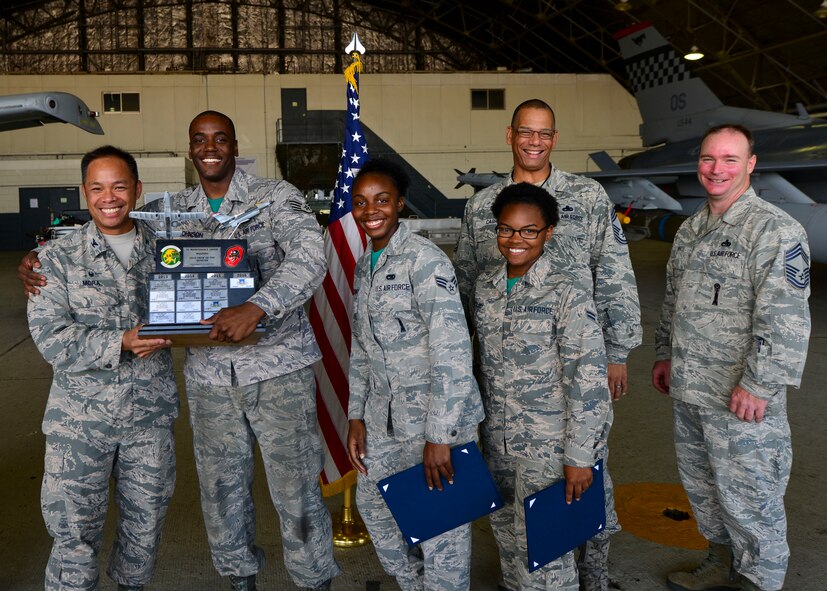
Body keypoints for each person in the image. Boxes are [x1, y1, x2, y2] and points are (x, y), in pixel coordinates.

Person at [20, 112, 340, 591]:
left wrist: (257, 306)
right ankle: (239, 578)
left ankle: (314, 579)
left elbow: (311, 255)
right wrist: (35, 263)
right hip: (209, 377)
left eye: (220, 138)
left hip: (277, 369)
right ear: (190, 149)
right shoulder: (174, 213)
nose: (210, 148)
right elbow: (117, 227)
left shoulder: (274, 196)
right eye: (199, 140)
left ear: (234, 146)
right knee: (221, 490)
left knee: (296, 488)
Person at [454, 98, 641, 591]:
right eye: (525, 132)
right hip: (506, 373)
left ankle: (593, 578)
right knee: (517, 493)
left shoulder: (587, 196)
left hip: (577, 364)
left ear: (554, 139)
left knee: (584, 475)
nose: (533, 141)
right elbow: (468, 283)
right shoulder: (482, 205)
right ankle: (529, 576)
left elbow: (614, 274)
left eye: (543, 133)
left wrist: (618, 353)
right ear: (510, 134)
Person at [651, 124, 811, 591]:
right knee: (704, 487)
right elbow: (674, 300)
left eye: (729, 159)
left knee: (752, 498)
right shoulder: (692, 228)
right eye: (708, 159)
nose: (716, 169)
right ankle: (720, 563)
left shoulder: (774, 229)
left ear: (750, 165)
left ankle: (758, 581)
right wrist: (664, 354)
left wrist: (758, 385)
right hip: (691, 388)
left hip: (740, 395)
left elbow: (784, 318)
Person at [27, 146, 177, 591]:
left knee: (144, 533)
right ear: (84, 192)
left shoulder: (169, 251)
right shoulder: (56, 258)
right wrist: (122, 341)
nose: (109, 198)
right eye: (97, 188)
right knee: (73, 538)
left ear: (138, 189)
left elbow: (204, 296)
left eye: (119, 186)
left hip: (148, 420)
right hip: (79, 424)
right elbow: (51, 338)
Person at [346, 159, 484, 591]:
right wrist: (355, 415)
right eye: (361, 202)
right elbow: (362, 349)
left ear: (401, 203)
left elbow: (453, 350)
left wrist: (440, 436)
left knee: (442, 534)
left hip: (434, 422)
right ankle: (415, 585)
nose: (371, 210)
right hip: (383, 420)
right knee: (375, 508)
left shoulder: (425, 261)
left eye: (382, 200)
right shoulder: (364, 266)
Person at [474, 182, 611, 590]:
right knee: (508, 541)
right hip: (497, 441)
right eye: (506, 229)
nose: (515, 239)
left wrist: (580, 455)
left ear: (548, 232)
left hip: (549, 448)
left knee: (548, 555)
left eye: (529, 230)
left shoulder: (567, 291)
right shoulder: (485, 287)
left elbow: (588, 376)